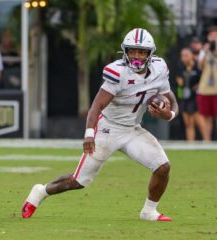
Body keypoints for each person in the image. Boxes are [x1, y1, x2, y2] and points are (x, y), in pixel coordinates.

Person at [22, 28, 178, 222]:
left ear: (150, 53)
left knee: (162, 167)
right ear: (125, 52)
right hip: (108, 129)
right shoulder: (117, 71)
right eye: (132, 51)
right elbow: (97, 105)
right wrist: (89, 134)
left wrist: (168, 114)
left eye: (141, 52)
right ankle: (40, 191)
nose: (136, 56)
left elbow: (170, 97)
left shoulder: (159, 68)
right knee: (79, 181)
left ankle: (148, 211)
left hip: (132, 130)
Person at [176, 48, 206, 141]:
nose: (183, 58)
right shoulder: (181, 68)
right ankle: (190, 144)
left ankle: (208, 141)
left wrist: (199, 85)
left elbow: (203, 79)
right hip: (185, 98)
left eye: (186, 55)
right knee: (188, 124)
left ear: (192, 56)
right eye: (182, 56)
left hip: (195, 98)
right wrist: (179, 84)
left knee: (200, 122)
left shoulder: (198, 68)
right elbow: (179, 83)